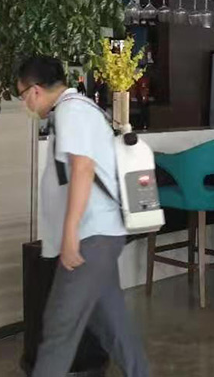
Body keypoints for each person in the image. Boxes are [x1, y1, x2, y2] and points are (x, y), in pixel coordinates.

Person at [17, 55, 149, 377]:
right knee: (111, 324)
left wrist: (71, 232)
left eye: (22, 95)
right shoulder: (75, 109)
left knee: (60, 327)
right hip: (99, 235)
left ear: (35, 91)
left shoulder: (71, 111)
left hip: (91, 236)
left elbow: (83, 168)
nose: (25, 104)